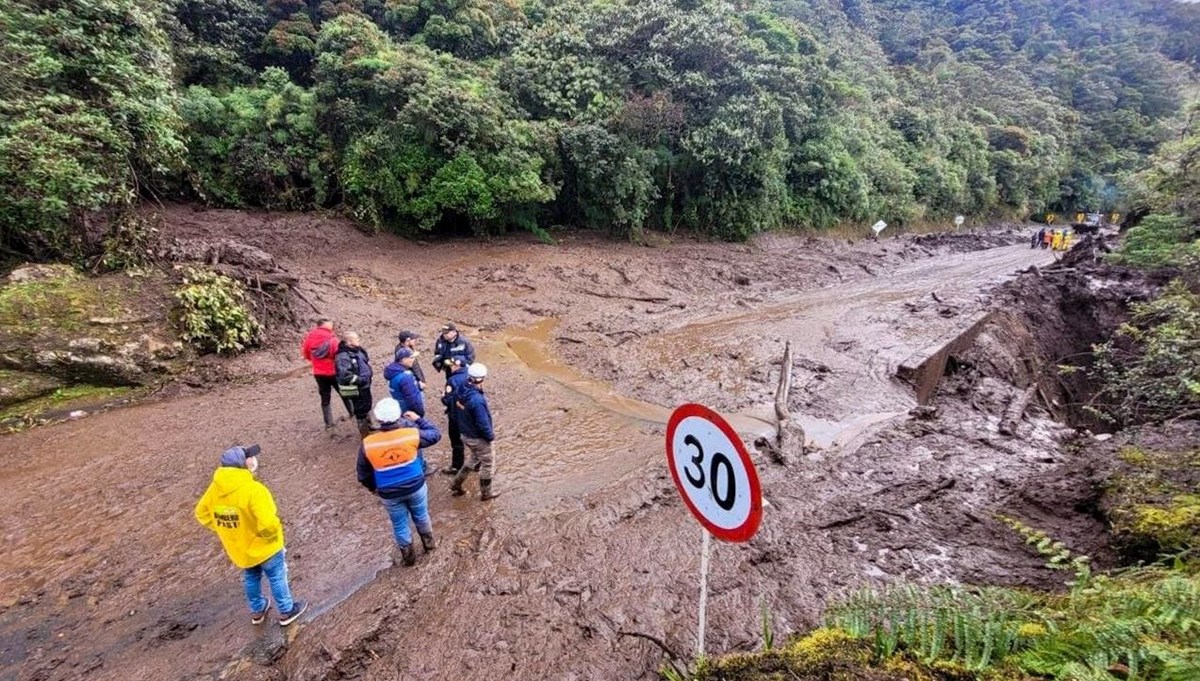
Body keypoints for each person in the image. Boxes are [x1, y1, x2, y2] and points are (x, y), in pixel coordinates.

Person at [194, 445, 308, 626]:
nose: (253, 460)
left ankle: (257, 610)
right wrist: (270, 539)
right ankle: (287, 610)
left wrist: (226, 529)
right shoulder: (255, 490)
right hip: (266, 546)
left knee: (251, 577)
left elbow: (201, 513)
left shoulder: (214, 490)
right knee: (277, 576)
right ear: (243, 465)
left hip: (240, 548)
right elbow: (268, 523)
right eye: (249, 458)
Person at [357, 398, 442, 566]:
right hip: (415, 485)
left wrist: (374, 489)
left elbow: (363, 474)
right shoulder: (411, 434)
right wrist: (418, 419)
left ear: (378, 419)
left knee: (399, 523)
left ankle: (408, 557)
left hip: (388, 492)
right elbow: (435, 434)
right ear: (398, 417)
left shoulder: (368, 444)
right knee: (421, 515)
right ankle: (429, 544)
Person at [451, 362, 500, 501]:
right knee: (488, 463)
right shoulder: (477, 400)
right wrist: (490, 437)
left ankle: (456, 483)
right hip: (478, 437)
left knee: (474, 458)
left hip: (465, 434)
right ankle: (486, 493)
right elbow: (482, 423)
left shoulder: (460, 388)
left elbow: (454, 411)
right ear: (481, 378)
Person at [301, 318, 351, 428]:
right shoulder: (332, 339)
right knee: (344, 392)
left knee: (325, 397)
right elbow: (338, 354)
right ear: (326, 325)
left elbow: (305, 354)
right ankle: (352, 413)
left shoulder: (309, 337)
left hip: (318, 373)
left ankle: (328, 423)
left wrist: (316, 362)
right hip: (333, 371)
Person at [335, 331, 374, 435]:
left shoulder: (358, 350)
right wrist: (360, 380)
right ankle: (364, 433)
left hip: (365, 384)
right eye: (356, 338)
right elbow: (344, 375)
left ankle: (369, 426)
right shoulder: (343, 356)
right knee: (360, 410)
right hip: (357, 387)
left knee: (367, 405)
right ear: (349, 342)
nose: (359, 340)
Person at [440, 358, 470, 475]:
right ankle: (477, 464)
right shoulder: (470, 375)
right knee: (474, 439)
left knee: (456, 441)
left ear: (458, 367)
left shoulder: (452, 380)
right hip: (470, 414)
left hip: (456, 416)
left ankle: (457, 466)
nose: (450, 368)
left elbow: (448, 400)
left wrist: (443, 396)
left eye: (452, 366)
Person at [384, 347, 425, 417]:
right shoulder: (406, 377)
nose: (414, 360)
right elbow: (413, 399)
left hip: (400, 409)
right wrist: (420, 414)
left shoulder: (393, 372)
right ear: (404, 360)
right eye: (411, 358)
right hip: (410, 413)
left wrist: (417, 385)